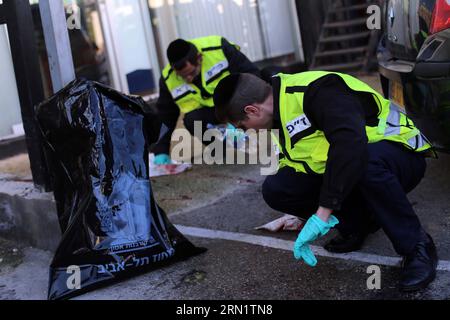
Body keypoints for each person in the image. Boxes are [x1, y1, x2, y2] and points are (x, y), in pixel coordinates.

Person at [213, 71, 438, 292]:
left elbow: (350, 145)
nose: (248, 132)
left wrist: (322, 214)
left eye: (243, 126)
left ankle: (417, 247)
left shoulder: (318, 89)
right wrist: (300, 212)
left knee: (362, 162)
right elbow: (299, 163)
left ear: (252, 110)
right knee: (277, 189)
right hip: (359, 166)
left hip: (402, 155)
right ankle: (358, 225)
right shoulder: (278, 115)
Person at [151, 35, 260, 164]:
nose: (188, 79)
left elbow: (252, 77)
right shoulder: (168, 79)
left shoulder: (219, 48)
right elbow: (166, 116)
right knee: (191, 120)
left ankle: (257, 130)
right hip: (211, 114)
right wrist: (160, 150)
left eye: (191, 73)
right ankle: (220, 148)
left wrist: (237, 116)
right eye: (183, 77)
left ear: (199, 58)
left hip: (236, 107)